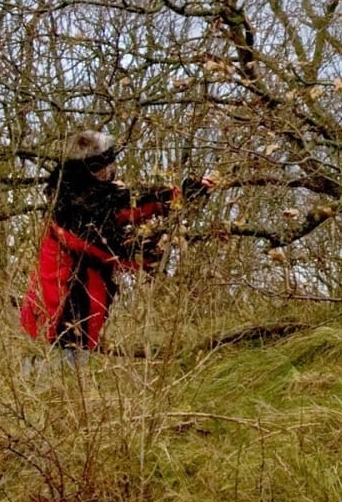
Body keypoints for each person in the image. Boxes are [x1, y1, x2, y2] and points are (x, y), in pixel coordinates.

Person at [20, 131, 213, 365]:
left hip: (68, 313)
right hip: (60, 316)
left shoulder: (87, 196)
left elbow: (130, 203)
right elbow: (109, 247)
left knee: (68, 368)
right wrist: (147, 252)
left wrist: (180, 194)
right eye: (103, 165)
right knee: (60, 373)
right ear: (88, 169)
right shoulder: (71, 209)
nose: (110, 170)